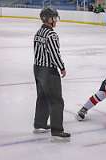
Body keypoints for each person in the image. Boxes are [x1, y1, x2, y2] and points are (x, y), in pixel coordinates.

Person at [33, 7, 70, 139]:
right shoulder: (51, 34)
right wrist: (62, 67)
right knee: (56, 100)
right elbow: (54, 54)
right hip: (49, 71)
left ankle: (40, 124)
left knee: (42, 97)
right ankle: (57, 131)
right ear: (48, 19)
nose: (55, 20)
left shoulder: (39, 32)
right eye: (54, 18)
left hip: (37, 68)